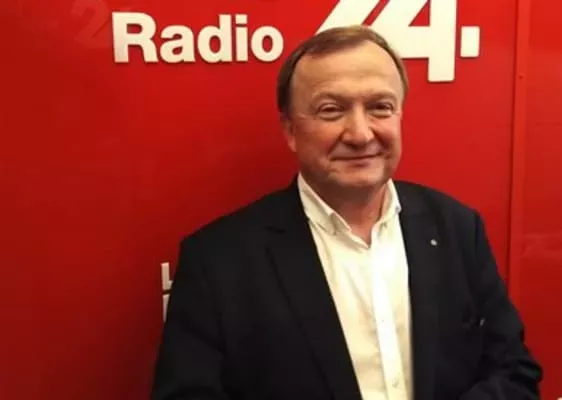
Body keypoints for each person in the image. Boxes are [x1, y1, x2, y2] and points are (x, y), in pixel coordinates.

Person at [151, 25, 542, 400]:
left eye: (380, 107)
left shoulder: (458, 228)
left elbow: (514, 371)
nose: (360, 134)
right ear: (290, 130)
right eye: (331, 110)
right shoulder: (217, 262)